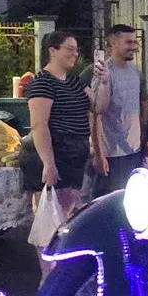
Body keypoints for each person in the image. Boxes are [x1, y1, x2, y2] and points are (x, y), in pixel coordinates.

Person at [22, 30, 108, 242]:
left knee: (68, 214)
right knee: (49, 218)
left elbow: (98, 107)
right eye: (69, 49)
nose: (74, 54)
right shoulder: (43, 83)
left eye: (76, 50)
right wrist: (48, 164)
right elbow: (39, 125)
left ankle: (61, 263)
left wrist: (104, 82)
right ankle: (48, 270)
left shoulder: (74, 82)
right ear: (52, 50)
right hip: (56, 152)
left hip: (74, 154)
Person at [88, 24, 148, 197]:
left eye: (134, 42)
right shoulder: (102, 72)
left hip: (134, 151)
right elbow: (96, 112)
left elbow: (144, 101)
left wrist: (144, 134)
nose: (134, 47)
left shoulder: (136, 72)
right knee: (109, 204)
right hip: (112, 155)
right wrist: (99, 154)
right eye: (128, 42)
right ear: (113, 43)